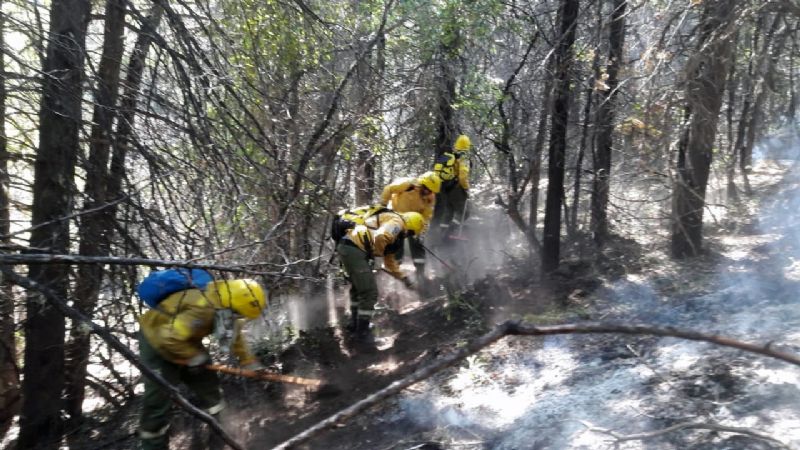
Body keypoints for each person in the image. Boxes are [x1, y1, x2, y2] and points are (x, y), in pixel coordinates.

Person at [138, 278, 267, 450]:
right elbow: (167, 338)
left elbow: (234, 332)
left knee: (210, 389)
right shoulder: (202, 308)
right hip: (156, 342)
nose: (239, 318)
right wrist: (192, 357)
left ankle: (223, 437)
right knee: (158, 402)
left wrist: (248, 361)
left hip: (183, 339)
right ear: (232, 307)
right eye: (239, 314)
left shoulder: (226, 304)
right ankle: (152, 446)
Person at [336, 210, 424, 347]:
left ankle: (354, 327)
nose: (408, 236)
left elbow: (389, 262)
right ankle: (362, 335)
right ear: (411, 225)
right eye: (411, 232)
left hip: (349, 247)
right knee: (369, 292)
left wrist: (404, 279)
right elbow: (381, 237)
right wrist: (377, 257)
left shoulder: (396, 234)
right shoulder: (397, 223)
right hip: (354, 249)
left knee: (359, 291)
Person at [379, 171, 441, 276]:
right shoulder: (407, 184)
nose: (429, 192)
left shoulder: (429, 198)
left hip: (414, 221)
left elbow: (426, 216)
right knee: (395, 245)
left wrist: (422, 231)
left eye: (431, 191)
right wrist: (382, 205)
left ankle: (420, 274)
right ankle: (393, 271)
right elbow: (389, 189)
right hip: (396, 217)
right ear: (422, 184)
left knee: (417, 245)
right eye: (427, 189)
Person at [432, 134, 471, 243]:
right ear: (467, 146)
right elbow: (463, 175)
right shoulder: (463, 157)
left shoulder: (450, 155)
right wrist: (466, 188)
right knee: (464, 212)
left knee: (449, 211)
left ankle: (441, 234)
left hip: (444, 187)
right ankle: (450, 233)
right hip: (456, 188)